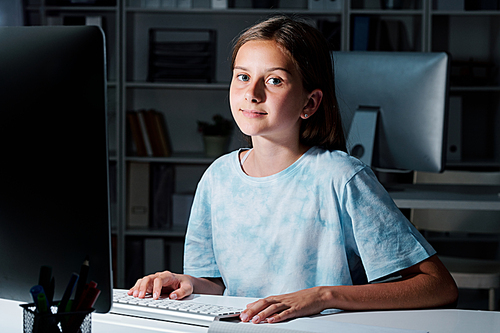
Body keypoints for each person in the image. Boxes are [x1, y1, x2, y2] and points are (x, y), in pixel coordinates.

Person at [128, 15, 458, 324]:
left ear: (309, 103)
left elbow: (438, 285)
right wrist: (185, 283)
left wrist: (322, 296)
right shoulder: (218, 177)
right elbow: (218, 286)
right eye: (243, 77)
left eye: (274, 81)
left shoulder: (341, 177)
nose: (252, 94)